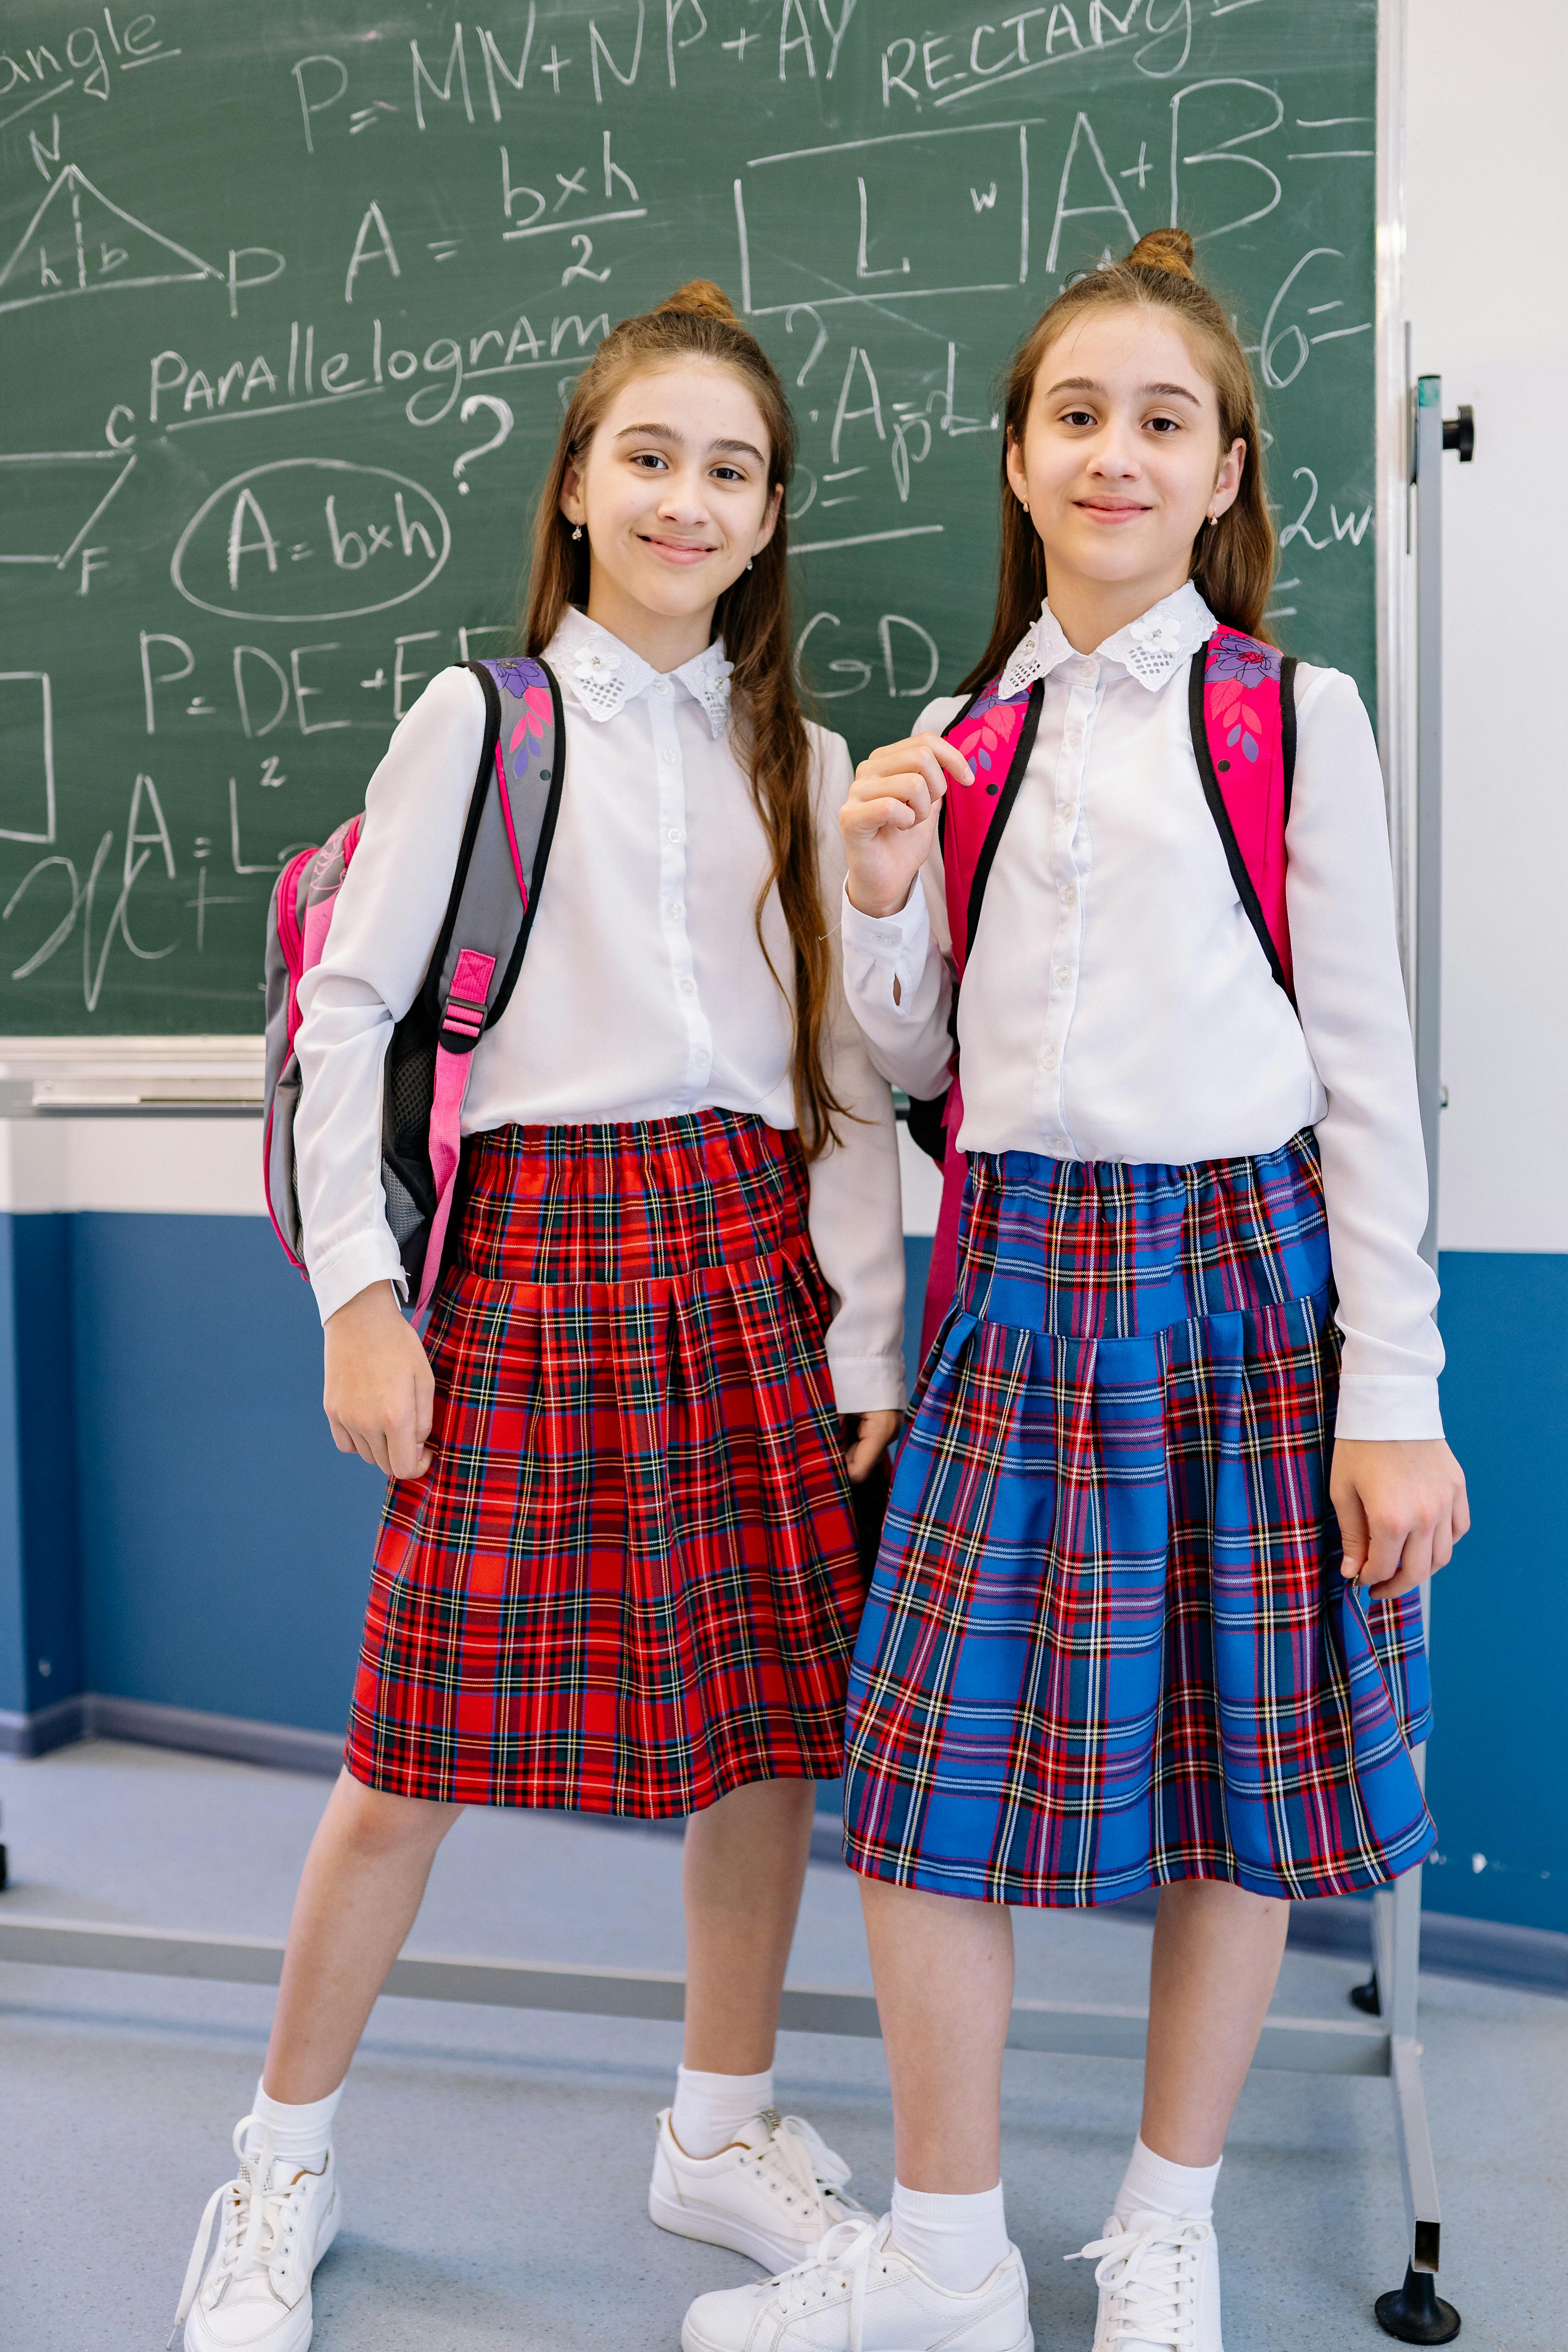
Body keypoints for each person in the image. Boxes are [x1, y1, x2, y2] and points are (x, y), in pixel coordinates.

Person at [680, 231, 1469, 2352]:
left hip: (1239, 1283)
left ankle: (1165, 2223)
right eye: (1073, 419)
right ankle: (945, 2259)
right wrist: (872, 891)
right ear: (1016, 465)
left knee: (1238, 1776)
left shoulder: (1287, 716)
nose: (1115, 453)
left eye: (1161, 422)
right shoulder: (963, 737)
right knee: (926, 1791)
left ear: (1223, 475)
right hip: (1014, 1283)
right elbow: (919, 1069)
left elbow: (1365, 1078)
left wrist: (1387, 1389)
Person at [172, 281, 907, 2352]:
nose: (689, 497)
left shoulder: (811, 761)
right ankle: (280, 2162)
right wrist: (358, 1295)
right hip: (534, 1262)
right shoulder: (478, 723)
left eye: (732, 469)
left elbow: (837, 1081)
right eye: (648, 456)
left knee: (767, 1729)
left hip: (744, 1259)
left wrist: (862, 1338)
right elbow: (348, 1018)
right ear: (577, 490)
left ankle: (718, 2120)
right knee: (410, 1745)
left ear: (771, 521)